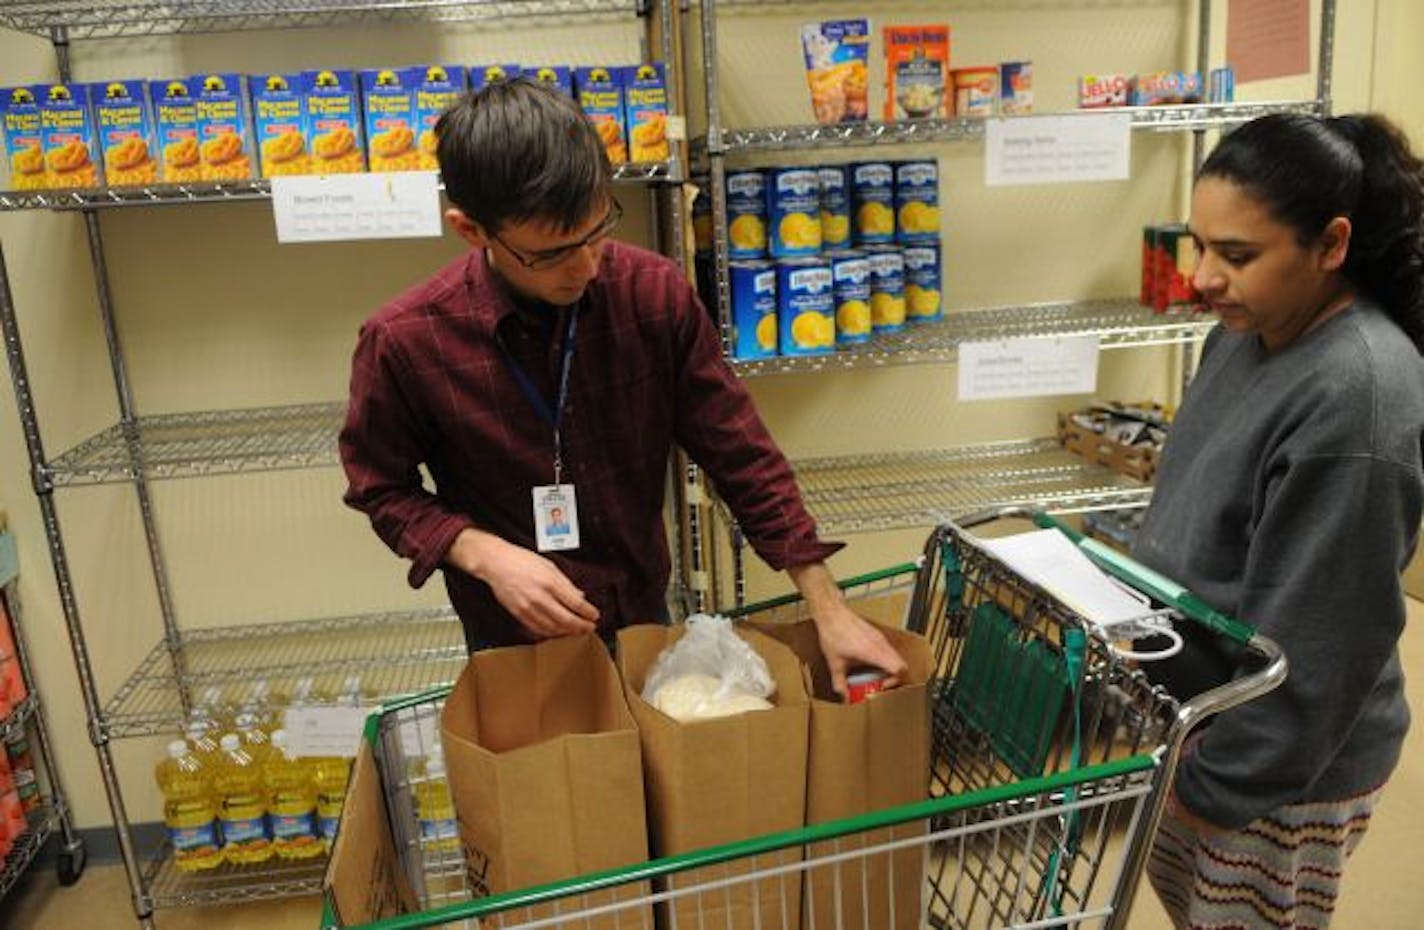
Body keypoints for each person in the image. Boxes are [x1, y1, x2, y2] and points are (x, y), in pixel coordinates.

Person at [339, 78, 907, 696]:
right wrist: (480, 552)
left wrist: (827, 606)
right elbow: (381, 488)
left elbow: (740, 453)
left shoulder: (653, 295)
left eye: (597, 230)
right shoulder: (406, 341)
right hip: (510, 645)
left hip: (645, 621)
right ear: (471, 231)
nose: (586, 267)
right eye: (552, 254)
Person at [1132, 112, 1424, 929]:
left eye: (1236, 255)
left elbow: (1326, 637)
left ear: (1331, 245)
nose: (1200, 278)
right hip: (1201, 715)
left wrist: (1216, 782)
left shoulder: (1357, 397)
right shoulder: (1246, 332)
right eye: (1199, 245)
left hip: (1277, 765)